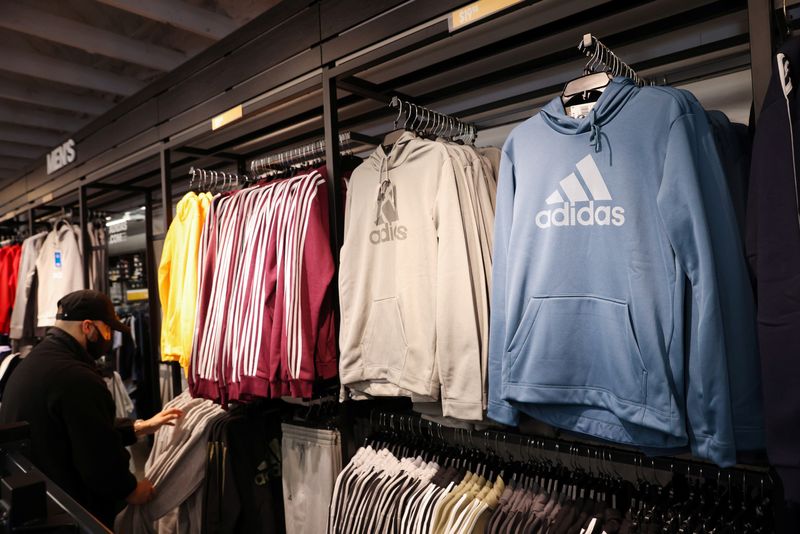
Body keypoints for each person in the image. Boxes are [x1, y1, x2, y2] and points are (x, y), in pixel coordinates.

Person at [0, 289, 184, 527]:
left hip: (35, 499)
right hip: (67, 512)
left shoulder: (37, 360)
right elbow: (98, 458)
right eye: (107, 328)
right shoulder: (76, 376)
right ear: (87, 327)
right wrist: (131, 489)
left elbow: (79, 427)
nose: (109, 337)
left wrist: (138, 426)